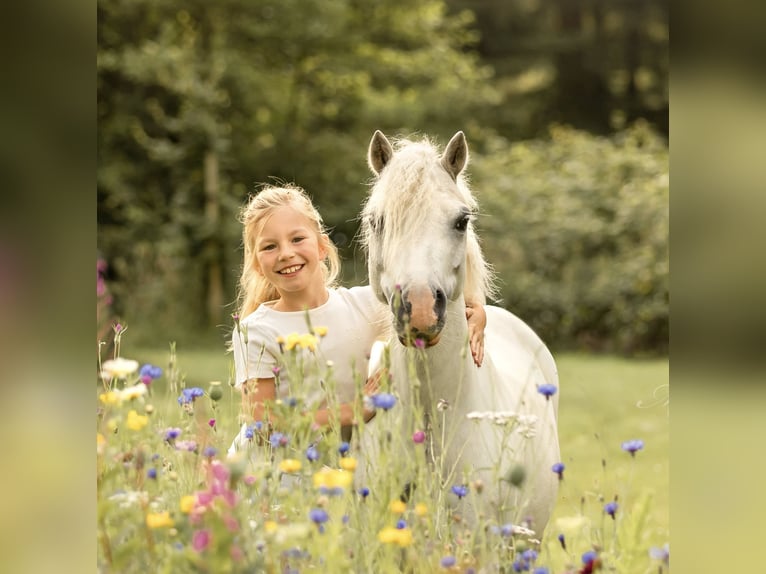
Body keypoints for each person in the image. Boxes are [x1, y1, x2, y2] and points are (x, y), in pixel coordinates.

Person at [228, 183, 486, 453]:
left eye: (297, 239)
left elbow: (438, 306)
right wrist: (352, 412)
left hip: (342, 470)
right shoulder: (255, 331)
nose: (285, 253)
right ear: (257, 264)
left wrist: (478, 313)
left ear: (322, 247)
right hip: (271, 475)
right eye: (269, 246)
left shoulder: (367, 305)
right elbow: (261, 427)